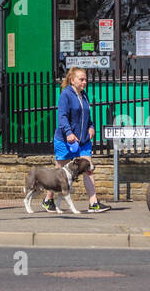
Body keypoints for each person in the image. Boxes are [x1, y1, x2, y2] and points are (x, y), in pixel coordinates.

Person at [44, 67, 110, 213]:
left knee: (88, 169)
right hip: (66, 140)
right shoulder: (65, 95)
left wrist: (91, 127)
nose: (84, 82)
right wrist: (68, 132)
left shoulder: (84, 95)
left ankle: (93, 203)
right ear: (72, 80)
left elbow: (87, 116)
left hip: (83, 140)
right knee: (59, 172)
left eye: (86, 79)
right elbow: (61, 116)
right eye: (81, 79)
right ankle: (48, 199)